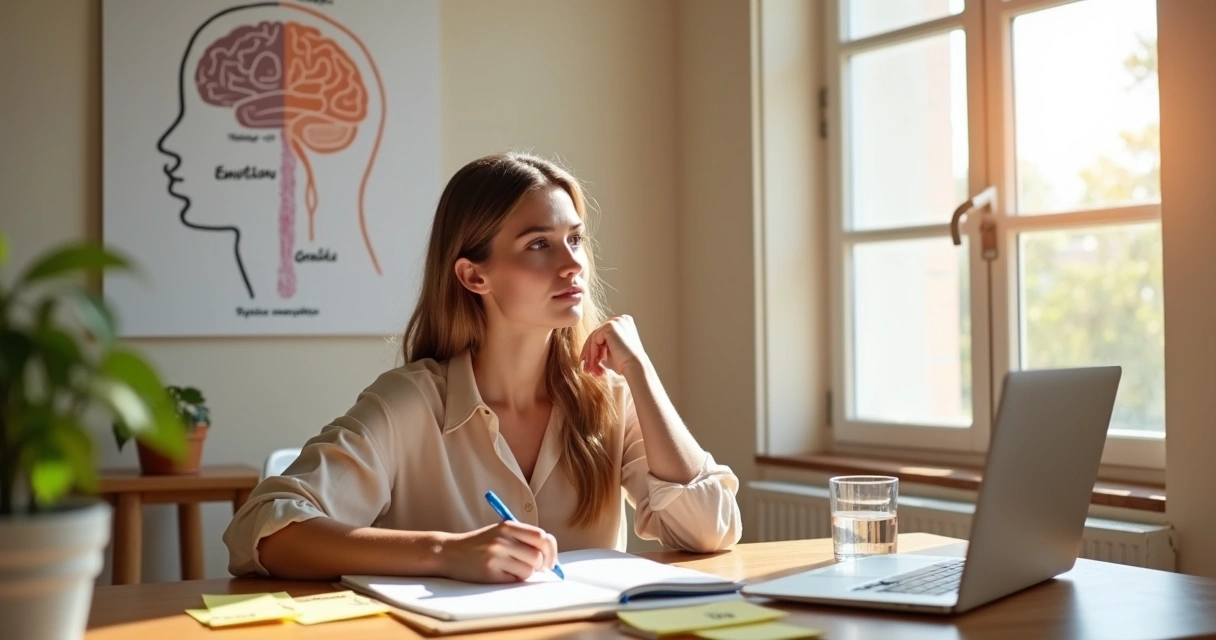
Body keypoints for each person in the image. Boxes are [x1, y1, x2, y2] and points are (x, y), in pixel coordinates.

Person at [222, 152, 742, 583]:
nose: (573, 264)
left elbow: (710, 530)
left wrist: (642, 372)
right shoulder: (409, 404)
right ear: (474, 276)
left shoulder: (608, 396)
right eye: (538, 244)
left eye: (575, 239)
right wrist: (446, 552)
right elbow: (263, 530)